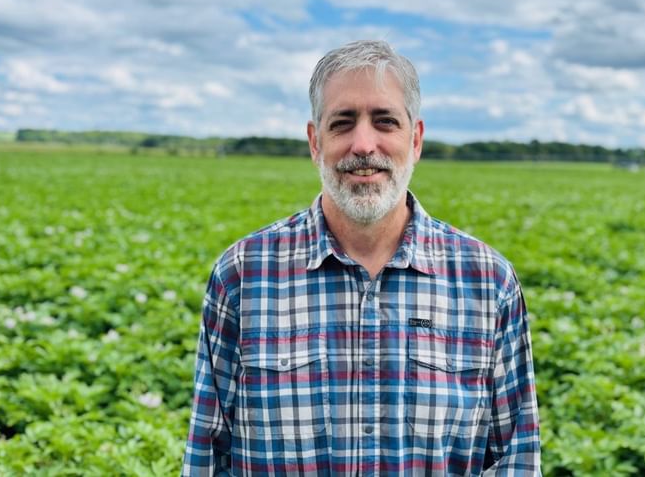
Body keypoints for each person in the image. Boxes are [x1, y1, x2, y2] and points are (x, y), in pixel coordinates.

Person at [183, 40, 541, 476]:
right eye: (342, 123)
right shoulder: (244, 276)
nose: (363, 144)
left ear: (416, 140)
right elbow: (207, 456)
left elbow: (516, 461)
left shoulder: (488, 283)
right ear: (316, 142)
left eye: (385, 121)